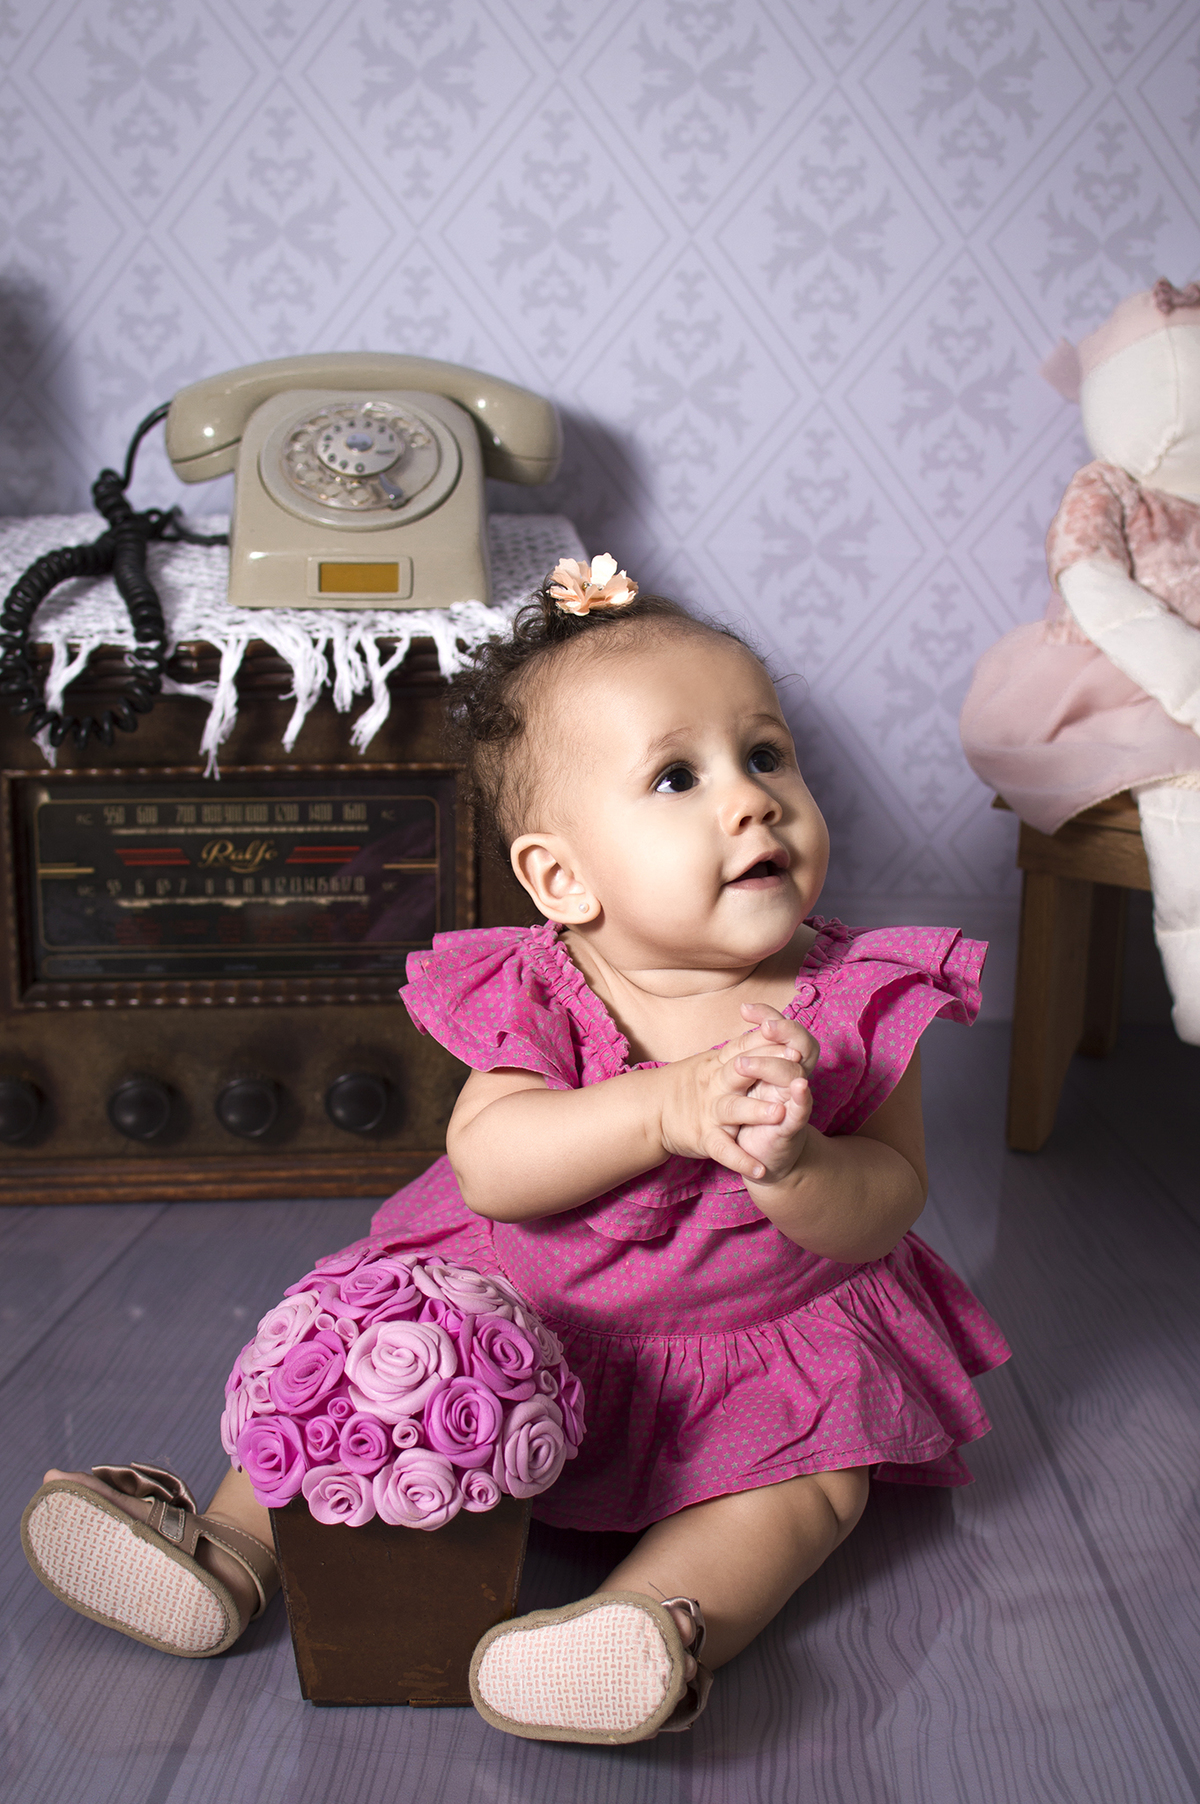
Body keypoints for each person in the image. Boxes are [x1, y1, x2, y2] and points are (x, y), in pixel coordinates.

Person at [22, 556, 1009, 1745]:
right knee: (354, 1364)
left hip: (750, 1352)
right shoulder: (542, 982)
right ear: (561, 876)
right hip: (511, 1312)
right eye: (677, 776)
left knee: (811, 1488)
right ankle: (227, 1549)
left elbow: (890, 1203)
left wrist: (800, 1173)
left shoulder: (854, 997)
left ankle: (642, 1623)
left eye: (766, 755)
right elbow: (492, 1161)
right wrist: (668, 1108)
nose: (752, 802)